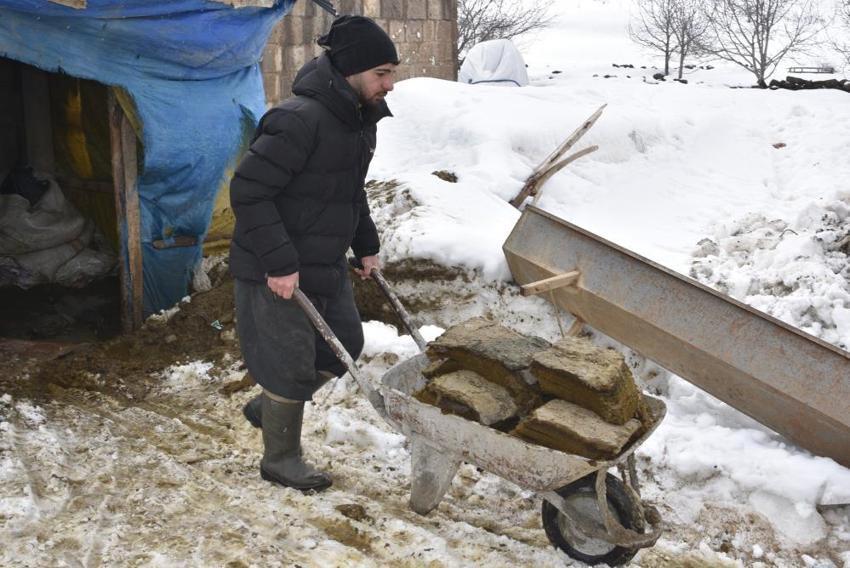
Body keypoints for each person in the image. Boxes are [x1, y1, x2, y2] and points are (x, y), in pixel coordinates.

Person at [229, 15, 399, 493]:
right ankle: (280, 459)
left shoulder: (360, 122)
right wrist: (279, 262)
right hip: (274, 267)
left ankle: (272, 409)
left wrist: (366, 246)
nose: (390, 83)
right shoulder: (298, 119)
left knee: (345, 341)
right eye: (382, 73)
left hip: (323, 262)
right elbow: (248, 192)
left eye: (391, 72)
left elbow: (350, 191)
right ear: (352, 70)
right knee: (288, 361)